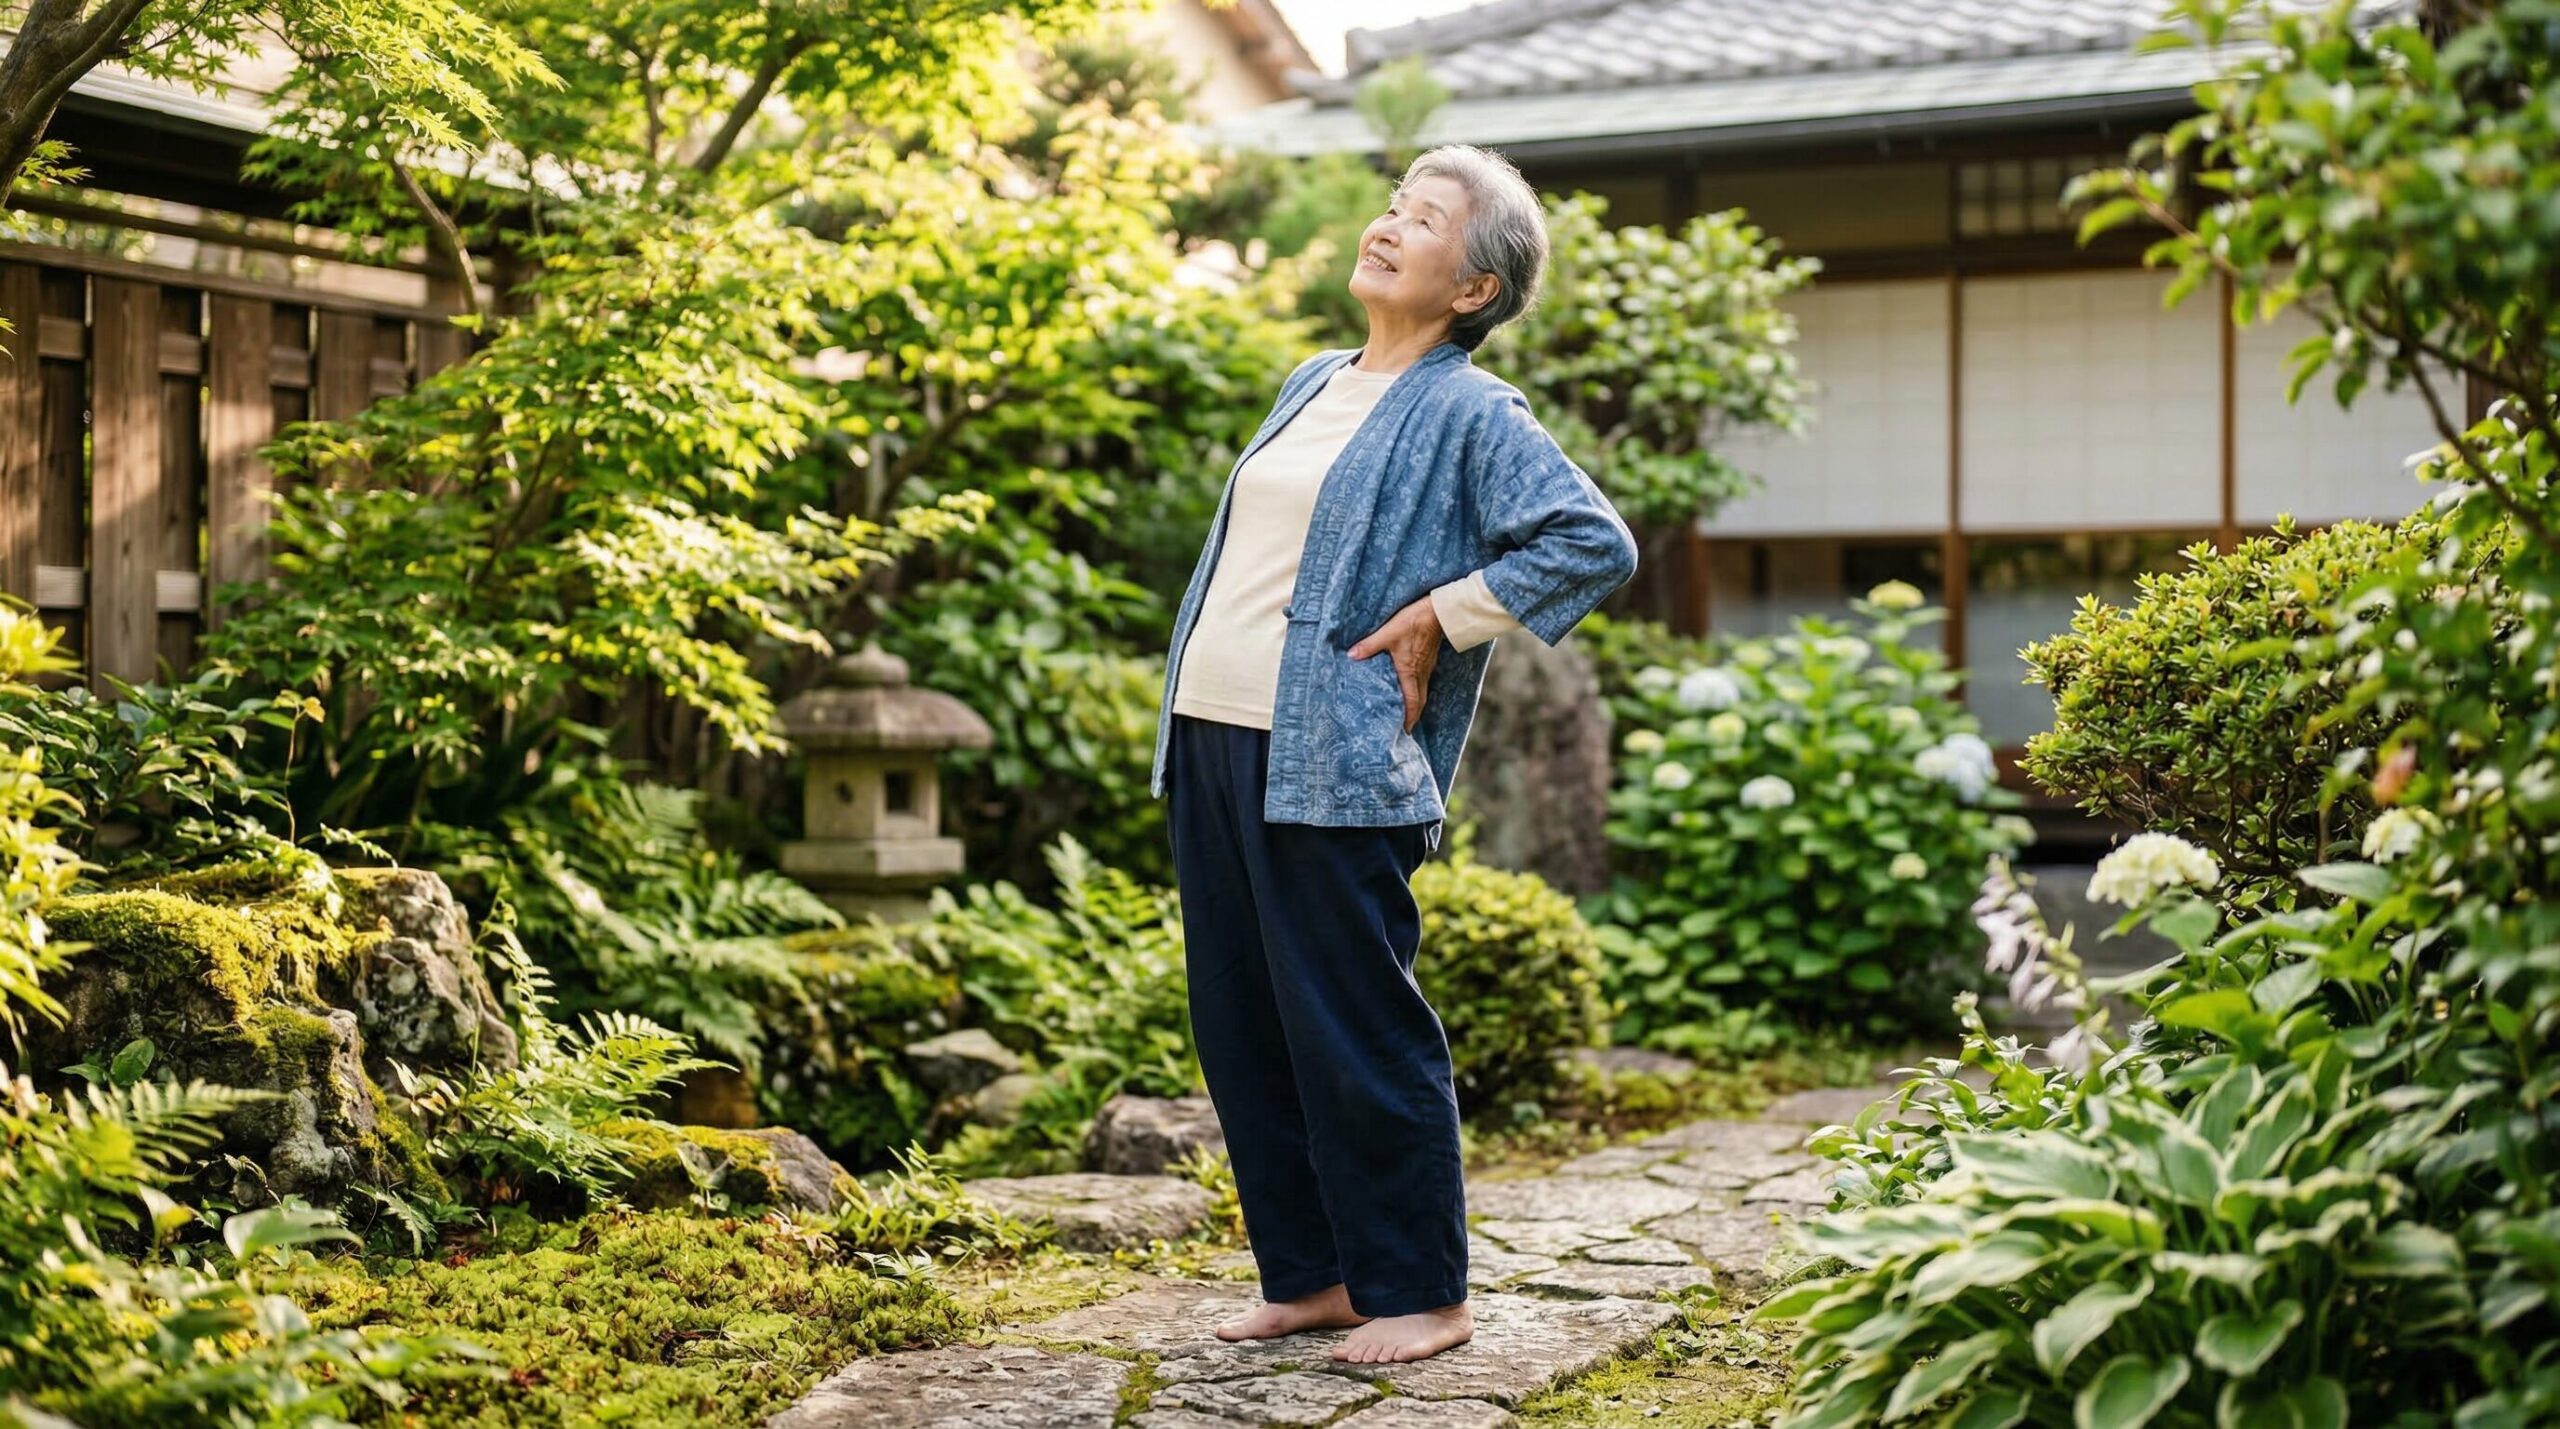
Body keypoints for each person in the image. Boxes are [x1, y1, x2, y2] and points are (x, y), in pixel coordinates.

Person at [1149, 143, 1640, 1365]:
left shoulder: (1471, 409)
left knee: (1355, 1021)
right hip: (1215, 736)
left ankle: (1424, 1289)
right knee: (1243, 1018)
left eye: (1423, 222)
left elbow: (1591, 540)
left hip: (1331, 755)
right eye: (1393, 207)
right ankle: (1312, 1275)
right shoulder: (1312, 379)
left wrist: (1442, 614)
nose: (1386, 227)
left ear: (1473, 289)